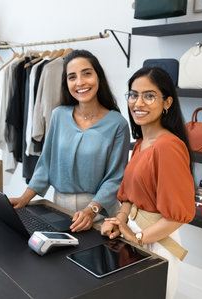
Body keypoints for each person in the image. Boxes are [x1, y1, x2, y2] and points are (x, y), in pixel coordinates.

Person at [9, 50, 130, 232]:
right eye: (72, 77)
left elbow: (115, 178)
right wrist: (24, 198)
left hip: (100, 214)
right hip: (60, 208)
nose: (80, 82)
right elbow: (46, 164)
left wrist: (90, 211)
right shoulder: (59, 115)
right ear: (66, 83)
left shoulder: (117, 124)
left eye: (87, 74)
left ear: (99, 76)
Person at [101, 67, 195, 299]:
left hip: (157, 242)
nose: (138, 103)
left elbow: (177, 216)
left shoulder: (168, 147)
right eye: (133, 95)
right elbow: (129, 198)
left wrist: (138, 238)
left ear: (167, 102)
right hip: (135, 236)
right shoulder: (141, 144)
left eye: (149, 96)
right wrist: (120, 220)